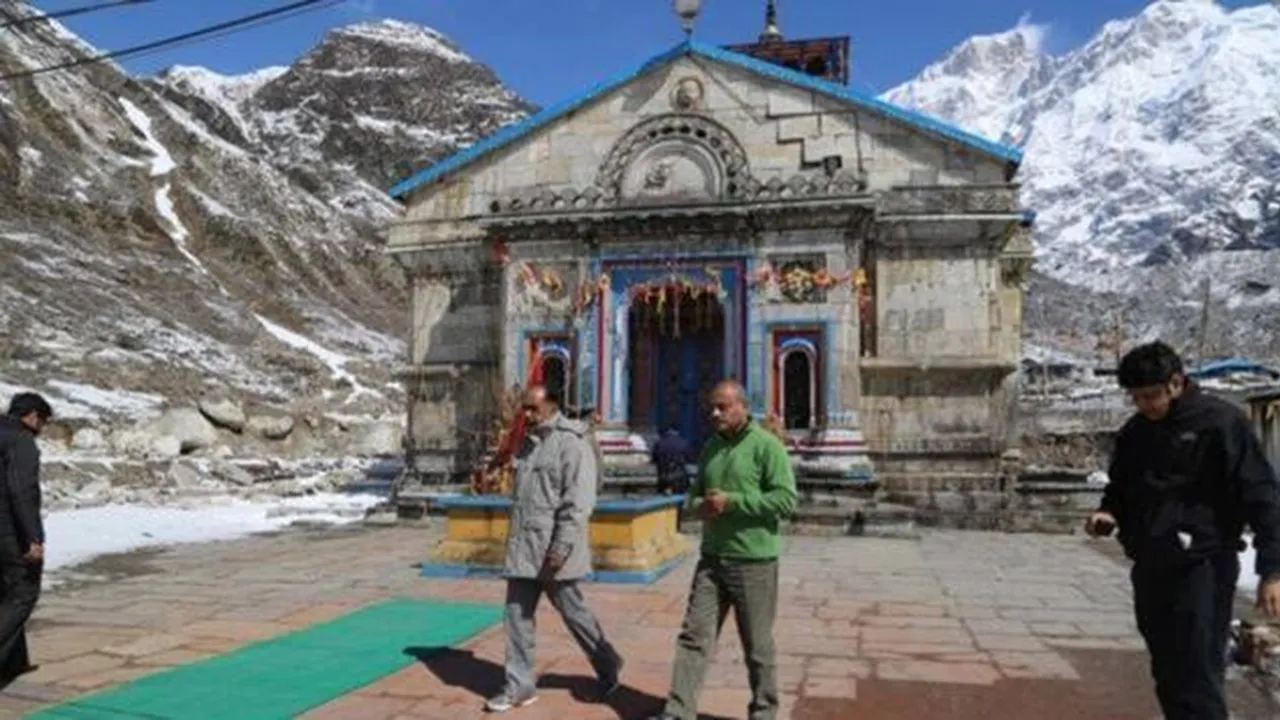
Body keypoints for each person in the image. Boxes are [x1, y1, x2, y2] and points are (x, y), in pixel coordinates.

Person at [1085, 341, 1280, 720]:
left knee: (1198, 670)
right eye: (1136, 397)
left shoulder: (1221, 423)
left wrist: (1272, 570)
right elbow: (1120, 488)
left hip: (1204, 564)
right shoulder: (1136, 432)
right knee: (1168, 669)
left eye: (1151, 395)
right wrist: (1108, 513)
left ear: (1176, 383)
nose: (1145, 405)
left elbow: (1261, 495)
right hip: (1152, 563)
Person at [649, 379, 797, 720]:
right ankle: (678, 710)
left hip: (754, 561)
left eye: (723, 407)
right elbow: (692, 495)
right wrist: (699, 506)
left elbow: (786, 499)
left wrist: (733, 502)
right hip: (712, 559)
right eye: (711, 408)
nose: (715, 414)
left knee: (757, 646)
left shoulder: (767, 447)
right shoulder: (711, 447)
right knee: (693, 637)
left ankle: (763, 712)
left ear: (743, 406)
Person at [485, 385, 623, 713]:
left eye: (533, 408)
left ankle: (608, 663)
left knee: (574, 613)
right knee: (516, 617)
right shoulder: (528, 444)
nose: (527, 414)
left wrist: (561, 547)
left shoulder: (572, 444)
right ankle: (519, 685)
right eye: (524, 408)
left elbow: (578, 503)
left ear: (551, 405)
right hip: (524, 547)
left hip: (555, 550)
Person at [0, 392, 52, 686]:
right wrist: (33, 537)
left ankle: (13, 662)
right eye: (42, 420)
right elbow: (21, 491)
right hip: (9, 531)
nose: (42, 427)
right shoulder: (20, 440)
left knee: (3, 593)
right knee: (23, 593)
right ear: (31, 416)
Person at [650, 427, 691, 496]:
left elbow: (654, 459)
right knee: (680, 496)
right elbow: (689, 458)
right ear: (677, 432)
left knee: (662, 498)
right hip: (679, 477)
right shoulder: (683, 442)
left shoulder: (659, 443)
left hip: (663, 476)